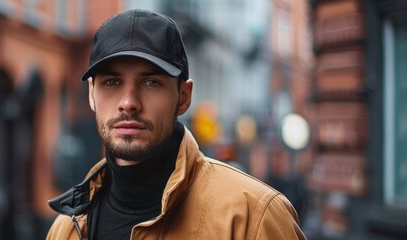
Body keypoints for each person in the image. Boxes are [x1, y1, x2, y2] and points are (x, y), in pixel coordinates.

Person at [46, 9, 306, 240]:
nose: (128, 102)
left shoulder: (253, 217)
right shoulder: (66, 228)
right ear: (92, 94)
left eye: (151, 82)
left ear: (184, 97)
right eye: (111, 82)